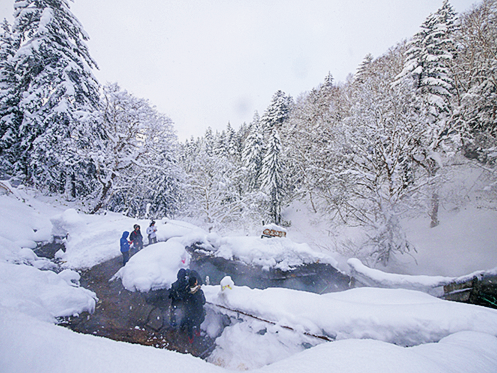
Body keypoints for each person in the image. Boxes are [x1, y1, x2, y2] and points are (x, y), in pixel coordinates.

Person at [183, 275, 206, 343]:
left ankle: (190, 338)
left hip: (189, 312)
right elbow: (203, 301)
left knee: (189, 326)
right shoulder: (199, 292)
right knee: (198, 322)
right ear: (195, 283)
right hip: (198, 312)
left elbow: (184, 300)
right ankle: (197, 332)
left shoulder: (186, 291)